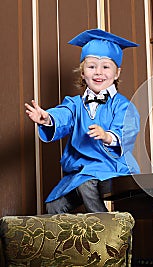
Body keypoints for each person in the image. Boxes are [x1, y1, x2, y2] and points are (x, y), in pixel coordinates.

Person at [24, 29, 141, 214]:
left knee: (87, 183)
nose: (98, 72)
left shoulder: (122, 105)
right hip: (81, 170)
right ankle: (70, 242)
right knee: (54, 204)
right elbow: (63, 115)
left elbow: (127, 129)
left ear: (117, 73)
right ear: (83, 72)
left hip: (111, 167)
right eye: (92, 66)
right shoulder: (75, 104)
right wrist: (47, 118)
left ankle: (107, 228)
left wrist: (107, 136)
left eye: (106, 67)